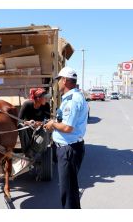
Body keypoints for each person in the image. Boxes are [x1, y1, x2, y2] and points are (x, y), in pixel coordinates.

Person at [44, 67, 89, 209]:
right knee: (70, 190)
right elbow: (64, 121)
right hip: (70, 148)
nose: (57, 83)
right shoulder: (74, 97)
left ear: (64, 80)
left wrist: (52, 124)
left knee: (68, 192)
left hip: (68, 149)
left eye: (58, 80)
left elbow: (68, 128)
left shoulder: (72, 100)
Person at [18, 88, 51, 157]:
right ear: (38, 98)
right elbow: (19, 120)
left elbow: (48, 120)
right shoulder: (27, 104)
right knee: (21, 126)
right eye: (45, 98)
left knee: (46, 128)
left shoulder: (46, 105)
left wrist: (40, 123)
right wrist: (28, 123)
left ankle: (33, 150)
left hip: (40, 129)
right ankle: (26, 150)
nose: (47, 99)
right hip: (28, 128)